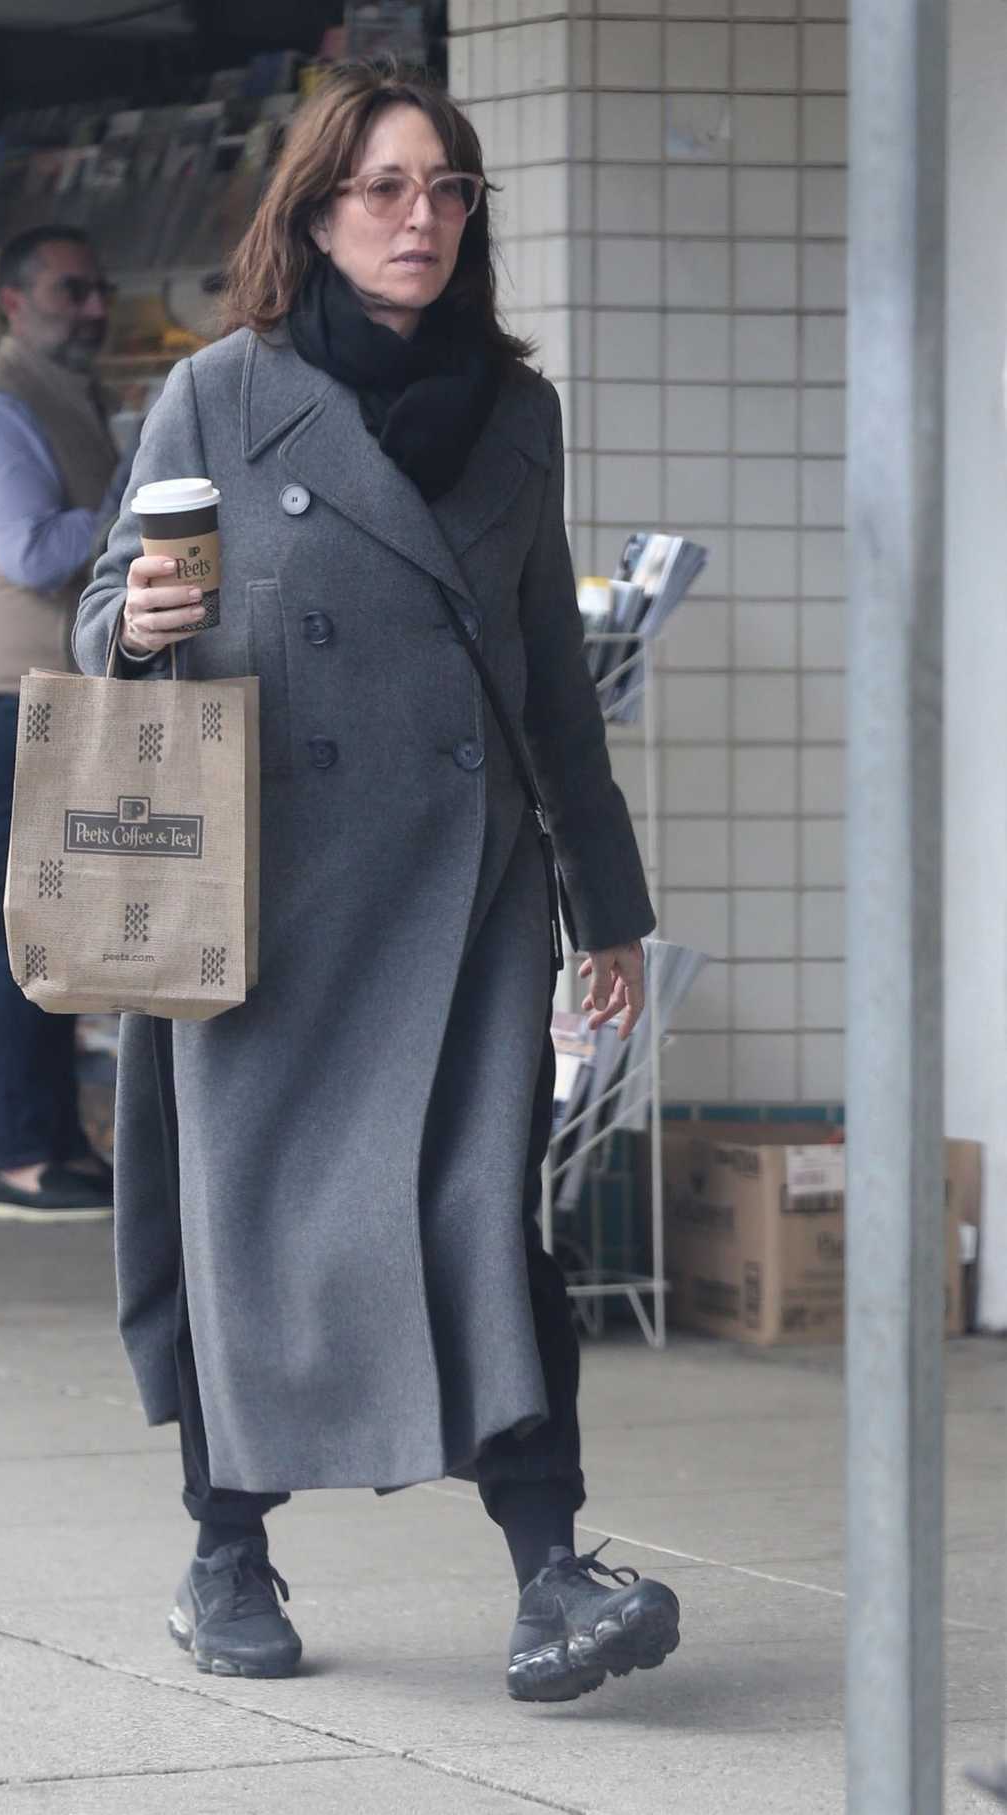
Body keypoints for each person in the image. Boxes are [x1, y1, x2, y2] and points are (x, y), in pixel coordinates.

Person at [74, 62, 680, 1703]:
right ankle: (224, 1551)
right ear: (320, 213)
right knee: (251, 1231)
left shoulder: (517, 410)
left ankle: (553, 1571)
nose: (422, 220)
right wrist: (132, 631)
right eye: (386, 190)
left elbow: (552, 671)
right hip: (261, 896)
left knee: (487, 1223)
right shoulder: (219, 393)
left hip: (468, 897)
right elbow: (100, 618)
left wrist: (604, 905)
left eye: (449, 191)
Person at [0, 226, 132, 1222]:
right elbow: (33, 551)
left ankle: (53, 1144)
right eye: (69, 290)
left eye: (97, 289)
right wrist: (136, 504)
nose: (92, 308)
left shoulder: (63, 394)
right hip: (16, 695)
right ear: (13, 300)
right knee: (19, 932)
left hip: (52, 692)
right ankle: (19, 1156)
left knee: (49, 931)